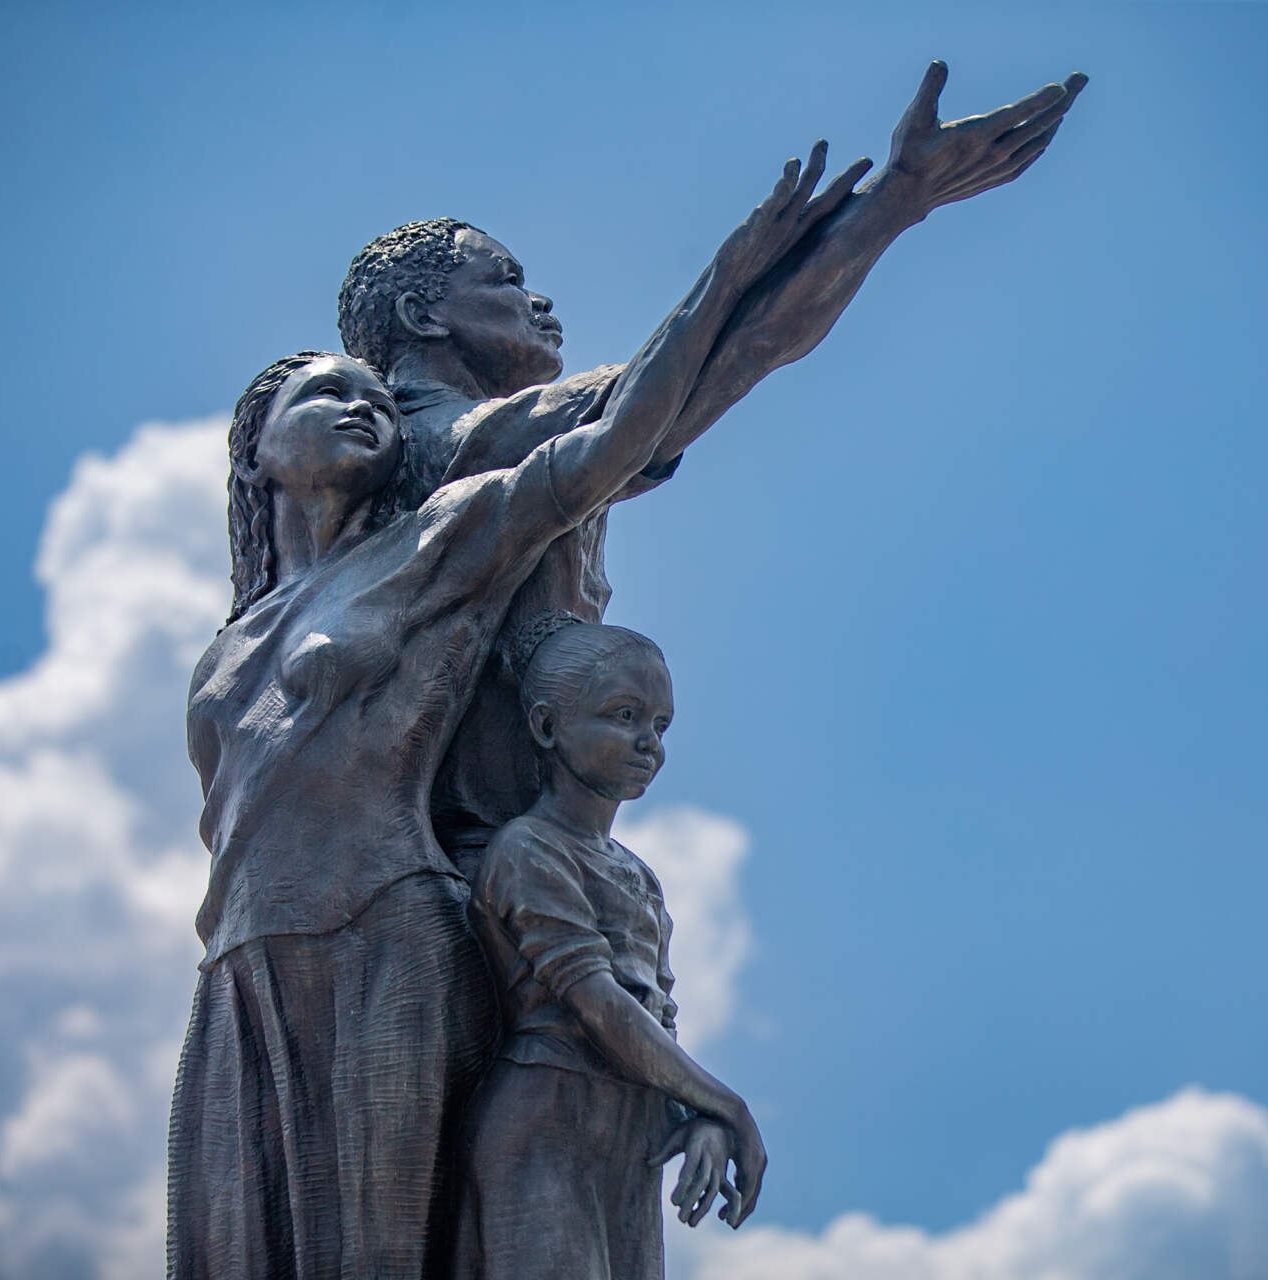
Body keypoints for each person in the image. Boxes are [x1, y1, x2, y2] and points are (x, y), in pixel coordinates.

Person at [167, 152, 828, 1280]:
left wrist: (756, 261)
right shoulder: (227, 649)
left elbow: (629, 424)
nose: (363, 412)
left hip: (387, 926)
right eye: (326, 395)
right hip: (239, 963)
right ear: (256, 443)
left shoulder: (430, 546)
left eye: (376, 400)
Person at [335, 63, 1089, 869]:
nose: (541, 303)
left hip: (503, 858)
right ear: (423, 316)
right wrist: (894, 203)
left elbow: (720, 358)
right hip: (471, 873)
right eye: (508, 281)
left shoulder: (465, 444)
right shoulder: (464, 441)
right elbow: (736, 352)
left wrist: (893, 205)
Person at [457, 617, 762, 1280]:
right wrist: (725, 1105)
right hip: (546, 1123)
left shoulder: (639, 877)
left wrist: (698, 1116)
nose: (648, 743)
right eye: (624, 716)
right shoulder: (527, 850)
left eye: (660, 724)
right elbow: (600, 1005)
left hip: (629, 1135)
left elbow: (657, 1023)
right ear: (545, 727)